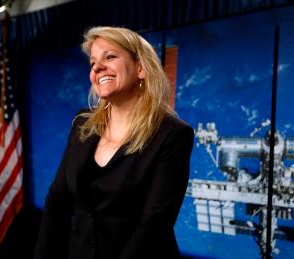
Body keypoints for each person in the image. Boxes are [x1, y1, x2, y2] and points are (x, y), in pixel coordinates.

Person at [34, 26, 194, 259]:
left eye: (109, 57)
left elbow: (154, 225)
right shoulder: (82, 125)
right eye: (92, 63)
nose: (97, 67)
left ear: (141, 68)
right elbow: (57, 200)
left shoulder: (172, 135)